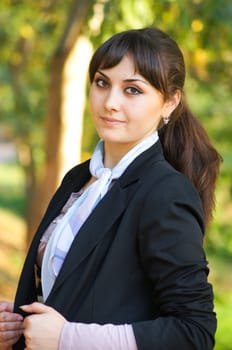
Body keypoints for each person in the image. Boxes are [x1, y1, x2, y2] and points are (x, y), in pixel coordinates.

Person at [0, 27, 221, 350]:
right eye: (102, 83)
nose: (110, 103)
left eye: (132, 90)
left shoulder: (165, 192)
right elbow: (68, 293)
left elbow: (194, 331)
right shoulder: (79, 178)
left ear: (170, 103)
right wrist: (16, 326)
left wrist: (67, 338)